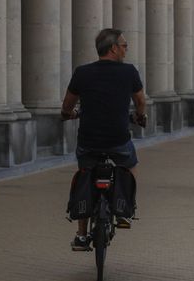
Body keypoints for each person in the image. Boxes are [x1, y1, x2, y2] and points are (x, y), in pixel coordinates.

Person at [61, 28, 147, 251]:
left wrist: (67, 114)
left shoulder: (82, 72)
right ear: (113, 48)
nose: (126, 50)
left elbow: (67, 104)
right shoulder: (129, 72)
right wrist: (140, 116)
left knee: (84, 176)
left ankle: (81, 235)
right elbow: (140, 101)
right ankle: (125, 209)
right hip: (118, 140)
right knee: (130, 164)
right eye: (124, 45)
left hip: (88, 141)